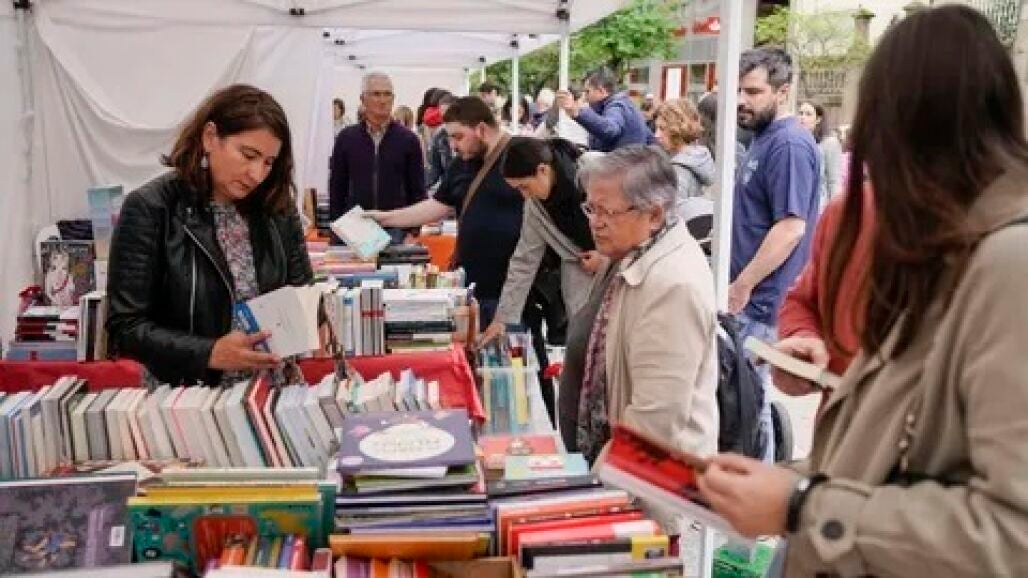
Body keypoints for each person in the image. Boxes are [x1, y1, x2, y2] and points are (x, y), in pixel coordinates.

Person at [698, 7, 1028, 577]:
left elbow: (1011, 533)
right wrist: (795, 484)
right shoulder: (951, 240)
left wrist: (804, 504)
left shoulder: (1008, 262)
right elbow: (911, 450)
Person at [106, 84, 313, 387]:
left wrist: (315, 318)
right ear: (210, 137)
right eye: (248, 155)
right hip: (189, 397)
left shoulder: (277, 208)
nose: (257, 174)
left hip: (273, 392)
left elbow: (302, 292)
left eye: (269, 163)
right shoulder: (152, 208)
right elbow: (125, 327)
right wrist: (210, 352)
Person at [566, 145, 718, 464]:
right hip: (627, 470)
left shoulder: (673, 285)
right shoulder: (630, 253)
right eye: (591, 209)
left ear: (655, 215)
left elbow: (654, 423)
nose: (595, 223)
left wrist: (597, 480)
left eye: (607, 212)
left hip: (652, 480)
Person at [729, 47, 821, 463]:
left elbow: (791, 228)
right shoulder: (765, 138)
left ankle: (757, 486)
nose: (742, 101)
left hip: (762, 301)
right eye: (739, 91)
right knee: (744, 404)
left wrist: (743, 284)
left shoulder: (788, 144)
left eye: (753, 92)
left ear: (782, 93)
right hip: (752, 296)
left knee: (750, 406)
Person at [366, 97, 524, 326]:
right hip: (473, 286)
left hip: (514, 292)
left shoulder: (521, 155)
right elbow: (437, 205)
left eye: (458, 137)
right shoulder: (462, 163)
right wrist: (386, 218)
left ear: (481, 129)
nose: (453, 145)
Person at [329, 72, 426, 230]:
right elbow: (337, 187)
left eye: (387, 94)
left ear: (393, 99)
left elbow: (417, 190)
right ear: (363, 99)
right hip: (356, 228)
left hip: (397, 228)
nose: (382, 100)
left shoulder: (408, 140)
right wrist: (337, 228)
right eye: (376, 94)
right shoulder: (346, 138)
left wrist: (414, 230)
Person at [555, 67, 654, 152]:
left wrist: (577, 112)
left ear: (601, 90)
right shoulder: (625, 105)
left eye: (587, 92)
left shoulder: (618, 106)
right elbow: (650, 139)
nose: (585, 97)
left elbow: (610, 130)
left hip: (623, 166)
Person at [653, 99, 715, 218]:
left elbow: (672, 217)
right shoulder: (702, 156)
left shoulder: (677, 172)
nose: (656, 135)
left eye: (662, 129)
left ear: (677, 129)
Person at [797, 101, 842, 209]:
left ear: (818, 119)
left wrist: (835, 210)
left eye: (808, 114)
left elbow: (834, 180)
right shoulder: (795, 141)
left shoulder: (829, 142)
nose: (802, 117)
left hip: (819, 207)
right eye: (800, 113)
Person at [425, 93, 457, 190]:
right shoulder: (439, 136)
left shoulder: (471, 134)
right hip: (449, 189)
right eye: (442, 113)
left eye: (448, 113)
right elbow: (434, 170)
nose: (444, 117)